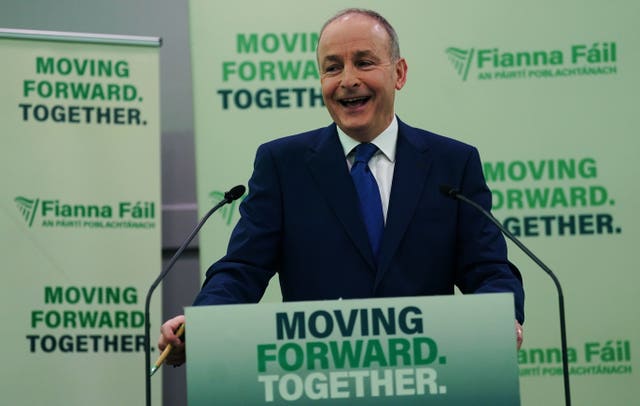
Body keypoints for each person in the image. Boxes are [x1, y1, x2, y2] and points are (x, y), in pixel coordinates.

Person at [159, 8, 524, 366]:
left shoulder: (452, 163)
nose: (347, 79)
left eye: (364, 62)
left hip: (427, 372)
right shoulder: (283, 165)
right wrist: (201, 325)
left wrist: (499, 318)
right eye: (333, 67)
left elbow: (489, 270)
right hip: (321, 375)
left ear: (399, 73)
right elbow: (242, 269)